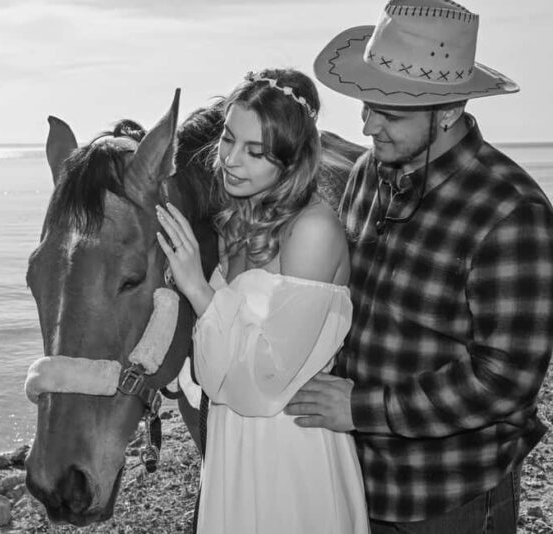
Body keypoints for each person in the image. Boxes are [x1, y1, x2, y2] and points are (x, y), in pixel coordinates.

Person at [285, 1, 553, 532]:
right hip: (352, 477)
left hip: (448, 495)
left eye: (390, 113)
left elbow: (506, 379)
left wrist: (364, 408)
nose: (367, 127)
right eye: (366, 105)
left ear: (448, 110)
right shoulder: (368, 173)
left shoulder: (511, 211)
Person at [157, 68, 369, 533]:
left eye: (255, 152)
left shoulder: (311, 231)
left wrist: (197, 286)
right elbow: (214, 372)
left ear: (292, 161)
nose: (232, 160)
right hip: (232, 442)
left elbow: (265, 381)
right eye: (228, 140)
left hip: (290, 452)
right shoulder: (238, 225)